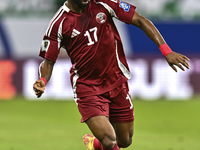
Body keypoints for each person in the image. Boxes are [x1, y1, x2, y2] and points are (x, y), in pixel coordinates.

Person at [33, 0, 190, 149]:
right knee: (109, 140)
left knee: (125, 140)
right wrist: (42, 80)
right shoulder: (59, 23)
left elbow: (140, 20)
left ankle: (93, 144)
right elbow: (48, 62)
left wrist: (166, 51)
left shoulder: (103, 3)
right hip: (87, 87)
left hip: (116, 81)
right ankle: (101, 142)